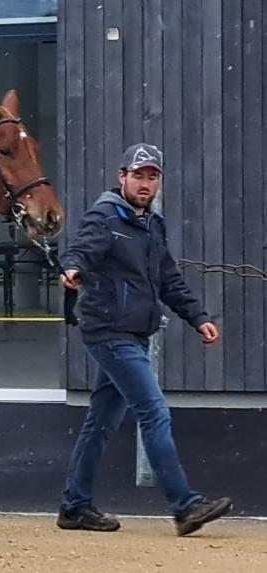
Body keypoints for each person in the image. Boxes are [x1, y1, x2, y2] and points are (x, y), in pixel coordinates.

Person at [56, 143, 231, 536]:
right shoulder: (105, 216)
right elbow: (81, 250)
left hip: (132, 334)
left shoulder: (152, 224)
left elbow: (168, 280)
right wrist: (72, 268)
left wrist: (198, 318)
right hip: (109, 332)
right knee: (154, 411)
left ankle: (75, 506)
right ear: (122, 177)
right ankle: (185, 506)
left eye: (152, 177)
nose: (145, 184)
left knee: (100, 422)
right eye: (138, 176)